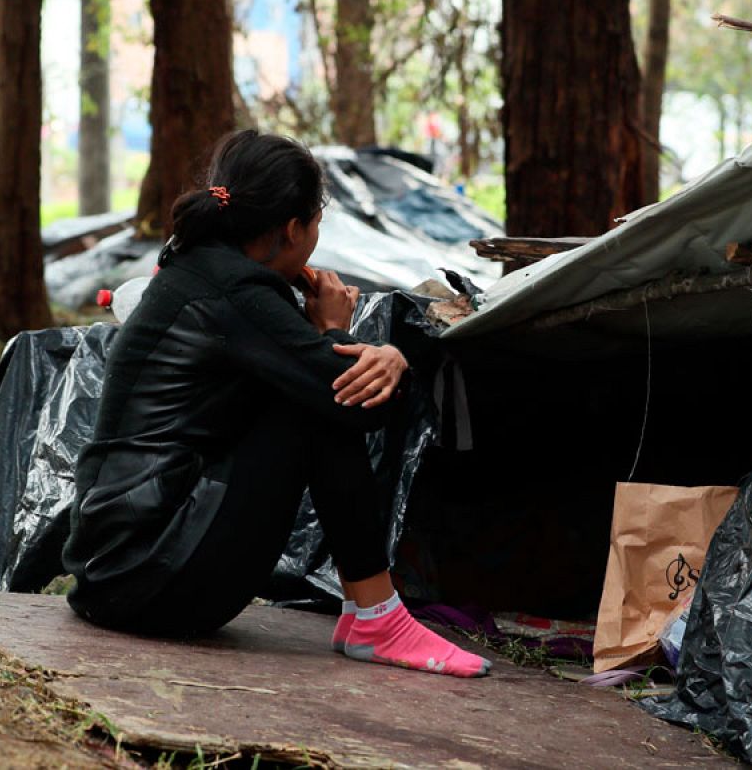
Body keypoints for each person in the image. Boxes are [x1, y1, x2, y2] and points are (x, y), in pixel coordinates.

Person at [62, 130, 490, 678]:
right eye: (315, 225)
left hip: (118, 571)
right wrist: (381, 354)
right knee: (315, 403)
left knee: (313, 390)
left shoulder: (199, 267)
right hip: (153, 580)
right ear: (293, 229)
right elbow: (360, 404)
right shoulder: (240, 295)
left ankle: (369, 613)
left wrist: (326, 342)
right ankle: (379, 618)